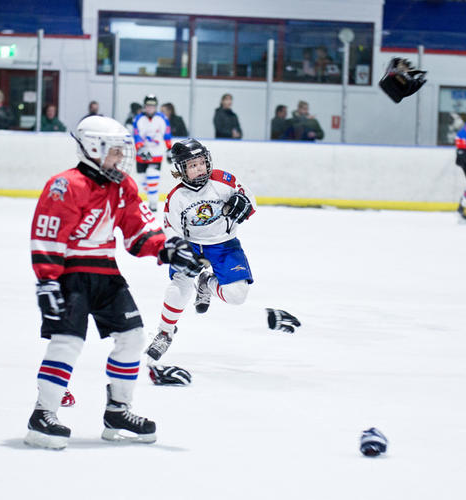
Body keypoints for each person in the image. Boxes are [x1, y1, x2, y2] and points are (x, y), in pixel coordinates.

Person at [23, 115, 203, 449]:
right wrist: (47, 282)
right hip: (71, 275)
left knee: (133, 338)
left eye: (122, 150)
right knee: (67, 342)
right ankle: (43, 413)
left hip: (106, 273)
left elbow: (139, 231)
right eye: (114, 150)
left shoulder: (123, 185)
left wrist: (169, 249)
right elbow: (47, 235)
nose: (120, 157)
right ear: (92, 148)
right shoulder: (66, 185)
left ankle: (118, 410)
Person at [144, 139, 302, 382]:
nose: (199, 169)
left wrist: (245, 203)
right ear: (180, 169)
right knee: (179, 288)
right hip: (193, 246)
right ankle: (165, 333)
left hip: (224, 244)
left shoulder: (222, 179)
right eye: (192, 165)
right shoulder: (176, 198)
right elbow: (171, 232)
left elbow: (250, 199)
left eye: (201, 163)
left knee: (237, 295)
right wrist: (181, 251)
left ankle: (207, 284)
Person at [132, 94, 173, 212]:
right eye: (148, 106)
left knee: (152, 176)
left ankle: (153, 202)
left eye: (153, 106)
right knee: (142, 180)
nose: (150, 108)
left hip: (156, 153)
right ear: (144, 106)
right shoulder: (138, 119)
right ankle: (150, 197)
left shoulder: (162, 118)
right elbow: (136, 135)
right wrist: (140, 148)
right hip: (142, 154)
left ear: (156, 107)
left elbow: (167, 134)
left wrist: (169, 149)